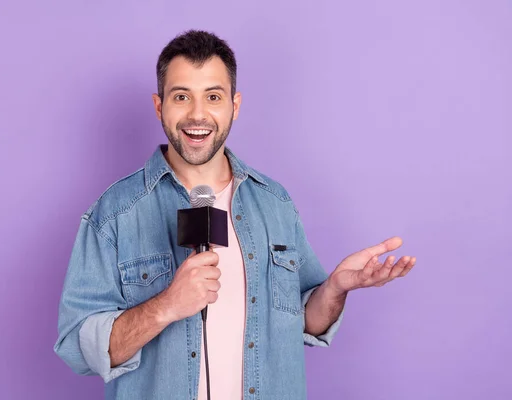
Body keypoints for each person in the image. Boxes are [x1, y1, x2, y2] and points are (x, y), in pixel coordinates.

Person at [54, 30, 416, 400]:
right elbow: (79, 349)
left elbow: (305, 320)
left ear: (235, 105)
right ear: (159, 105)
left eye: (213, 96)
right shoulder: (113, 214)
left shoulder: (275, 203)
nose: (198, 114)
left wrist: (334, 289)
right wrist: (166, 306)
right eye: (182, 97)